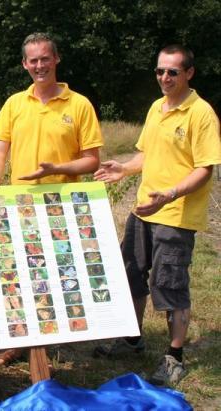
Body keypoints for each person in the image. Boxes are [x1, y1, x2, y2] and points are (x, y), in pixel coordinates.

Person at [93, 45, 221, 386]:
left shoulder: (201, 114)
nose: (165, 77)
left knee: (169, 283)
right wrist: (124, 168)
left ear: (189, 73)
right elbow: (146, 155)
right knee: (131, 273)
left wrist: (171, 194)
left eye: (172, 72)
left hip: (175, 214)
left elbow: (205, 169)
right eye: (160, 71)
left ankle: (174, 356)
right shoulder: (156, 107)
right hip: (143, 209)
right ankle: (132, 339)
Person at [0, 32, 103, 369]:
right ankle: (17, 342)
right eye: (33, 60)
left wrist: (58, 169)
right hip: (19, 204)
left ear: (56, 59)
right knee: (16, 274)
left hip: (60, 206)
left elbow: (92, 160)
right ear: (25, 64)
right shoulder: (14, 103)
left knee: (53, 275)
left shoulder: (79, 104)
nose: (40, 65)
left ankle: (46, 345)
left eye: (45, 58)